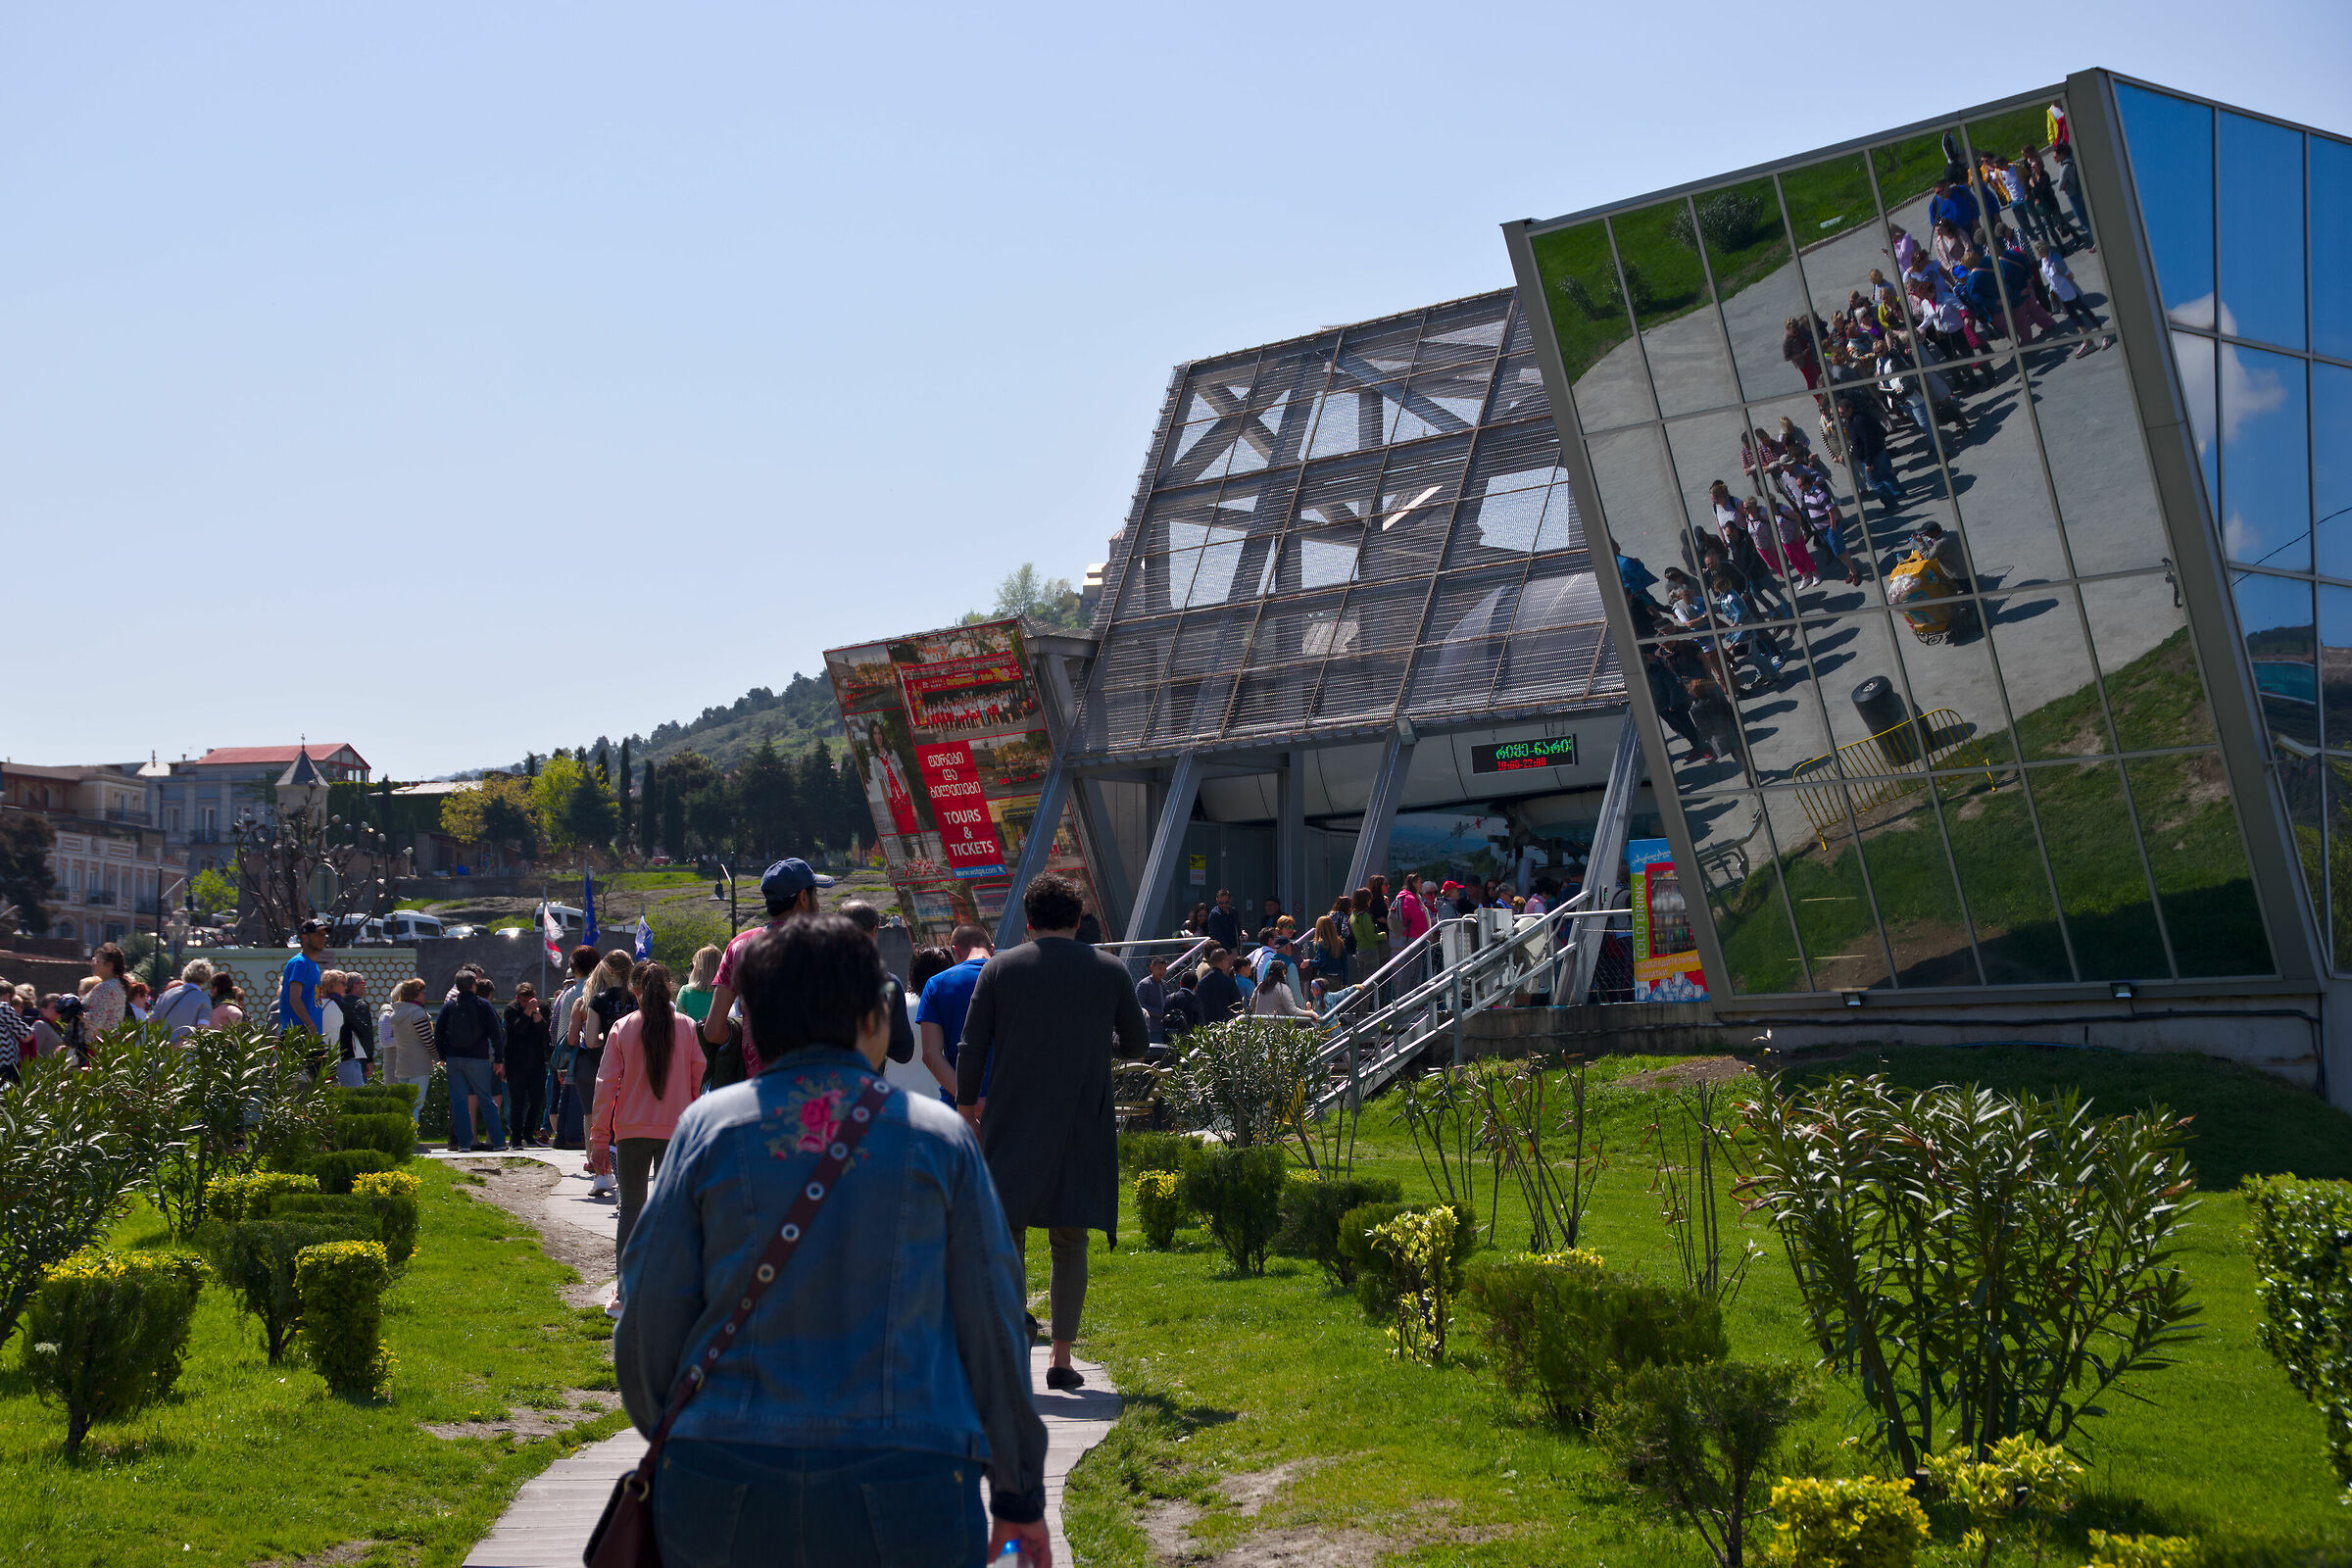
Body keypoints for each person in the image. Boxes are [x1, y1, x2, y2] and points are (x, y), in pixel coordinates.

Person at [614, 913, 1051, 1568]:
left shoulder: (708, 1130)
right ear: (874, 1018)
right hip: (909, 1471)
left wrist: (680, 1433)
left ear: (755, 1024)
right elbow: (992, 1321)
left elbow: (647, 1318)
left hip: (724, 1469)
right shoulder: (938, 1139)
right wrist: (1018, 1490)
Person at [956, 873, 1148, 1395]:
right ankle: (1062, 1358)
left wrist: (967, 1105)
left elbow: (973, 1046)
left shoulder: (999, 970)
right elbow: (1137, 1043)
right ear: (1080, 916)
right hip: (1080, 1118)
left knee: (1008, 1233)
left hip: (1012, 1116)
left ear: (1028, 920)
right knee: (1069, 1237)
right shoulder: (1109, 971)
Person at [589, 959, 703, 1318]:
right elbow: (697, 1081)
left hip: (631, 1132)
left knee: (631, 1213)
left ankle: (626, 1295)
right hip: (677, 1131)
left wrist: (598, 1138)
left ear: (635, 991)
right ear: (669, 989)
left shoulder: (623, 1027)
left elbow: (605, 1087)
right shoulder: (686, 1028)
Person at [578, 950, 637, 1193]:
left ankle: (602, 1173)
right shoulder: (638, 998)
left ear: (609, 971)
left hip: (606, 1064)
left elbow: (591, 1040)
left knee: (603, 1118)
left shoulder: (599, 1000)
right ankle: (629, 1176)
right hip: (636, 1065)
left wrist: (606, 1036)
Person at [434, 964, 507, 1152]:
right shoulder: (483, 1005)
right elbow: (495, 1033)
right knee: (485, 1098)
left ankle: (465, 1143)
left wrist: (443, 1055)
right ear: (474, 985)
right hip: (478, 1057)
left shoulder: (449, 1006)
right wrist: (498, 1058)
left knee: (459, 1101)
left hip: (454, 1058)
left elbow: (439, 1032)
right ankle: (498, 1141)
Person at [547, 945, 601, 1148]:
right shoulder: (604, 990)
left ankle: (573, 1138)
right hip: (605, 1052)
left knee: (577, 1103)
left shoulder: (571, 994)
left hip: (580, 1056)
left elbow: (564, 1032)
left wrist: (562, 1064)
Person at [382, 978, 437, 1127]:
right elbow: (427, 1039)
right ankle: (411, 1139)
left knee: (405, 1104)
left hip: (402, 1063)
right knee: (416, 1104)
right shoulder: (417, 1013)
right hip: (419, 1064)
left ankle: (404, 1135)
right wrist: (438, 1056)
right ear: (415, 994)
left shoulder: (397, 1013)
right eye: (422, 992)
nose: (425, 995)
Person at [505, 982, 552, 1149]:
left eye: (529, 1000)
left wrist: (539, 1020)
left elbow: (546, 1034)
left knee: (537, 1099)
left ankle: (528, 1131)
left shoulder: (543, 1007)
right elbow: (518, 1029)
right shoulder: (511, 1010)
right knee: (517, 1101)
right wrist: (526, 1012)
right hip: (515, 1063)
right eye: (523, 1001)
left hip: (536, 1062)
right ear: (518, 999)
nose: (527, 1004)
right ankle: (515, 1137)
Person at [278, 918, 328, 1040]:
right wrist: (310, 1025)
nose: (323, 938)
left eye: (324, 935)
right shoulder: (299, 962)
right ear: (305, 938)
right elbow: (294, 999)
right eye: (318, 935)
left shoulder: (313, 965)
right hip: (298, 1035)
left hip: (310, 1037)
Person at [153, 958, 215, 1041]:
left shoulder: (165, 995)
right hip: (185, 1049)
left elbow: (152, 1021)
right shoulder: (203, 998)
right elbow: (202, 1029)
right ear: (207, 977)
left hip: (162, 1047)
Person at [83, 943, 130, 1039]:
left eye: (97, 961)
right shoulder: (117, 985)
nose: (92, 964)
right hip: (109, 1043)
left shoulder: (105, 988)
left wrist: (75, 1012)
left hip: (95, 1046)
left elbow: (95, 1022)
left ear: (109, 965)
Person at [2054, 141, 2094, 251]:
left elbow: (2060, 185)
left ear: (2062, 154)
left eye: (2056, 155)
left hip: (2074, 195)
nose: (2054, 158)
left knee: (2083, 220)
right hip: (2076, 193)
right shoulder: (2068, 161)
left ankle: (2095, 241)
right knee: (2085, 217)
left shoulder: (2065, 166)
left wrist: (2064, 184)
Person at [675, 945, 722, 1029]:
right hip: (719, 1039)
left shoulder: (686, 990)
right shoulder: (725, 992)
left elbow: (678, 1020)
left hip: (692, 1038)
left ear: (697, 968)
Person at [1195, 947, 1243, 1024]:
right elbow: (1237, 1006)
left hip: (1206, 1026)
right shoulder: (1229, 982)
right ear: (1222, 961)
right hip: (1225, 1026)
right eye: (1227, 960)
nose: (1228, 962)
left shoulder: (1202, 982)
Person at [317, 971, 350, 1083]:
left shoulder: (318, 1003)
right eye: (343, 983)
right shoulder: (340, 1004)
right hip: (333, 1053)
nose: (346, 986)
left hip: (319, 1051)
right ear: (333, 984)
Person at [1135, 956, 1169, 1050]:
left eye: (1164, 969)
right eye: (1159, 968)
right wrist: (1159, 1013)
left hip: (1164, 1028)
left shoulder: (1164, 984)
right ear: (1151, 968)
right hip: (1151, 1028)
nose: (1162, 972)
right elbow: (1139, 1005)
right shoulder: (1144, 984)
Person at [1203, 889, 1244, 953]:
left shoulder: (1234, 912)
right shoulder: (1214, 915)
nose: (1224, 905)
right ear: (1217, 900)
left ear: (1230, 900)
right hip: (1220, 951)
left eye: (1226, 902)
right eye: (1221, 903)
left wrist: (1242, 932)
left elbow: (1237, 927)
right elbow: (1217, 936)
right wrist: (1228, 952)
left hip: (1235, 948)